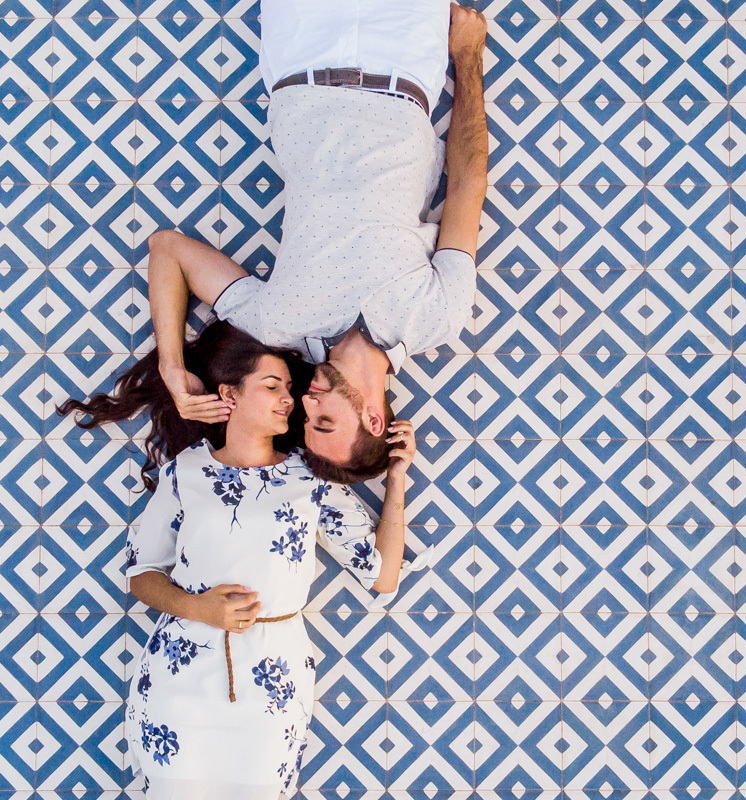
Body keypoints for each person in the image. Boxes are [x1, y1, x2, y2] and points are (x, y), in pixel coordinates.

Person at [58, 321, 416, 800]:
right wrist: (201, 609)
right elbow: (140, 575)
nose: (289, 399)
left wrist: (397, 478)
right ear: (229, 394)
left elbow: (382, 575)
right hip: (180, 674)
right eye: (272, 386)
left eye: (289, 388)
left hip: (274, 682)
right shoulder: (185, 470)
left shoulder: (311, 481)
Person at [148, 1, 489, 483]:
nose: (305, 403)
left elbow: (167, 249)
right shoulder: (437, 319)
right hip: (405, 58)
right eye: (323, 419)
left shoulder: (278, 325)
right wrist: (469, 59)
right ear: (375, 420)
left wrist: (171, 365)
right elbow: (467, 185)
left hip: (300, 51)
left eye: (305, 419)